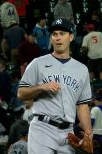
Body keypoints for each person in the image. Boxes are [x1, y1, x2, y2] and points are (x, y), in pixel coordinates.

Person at [18, 18, 93, 153]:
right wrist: (41, 87)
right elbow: (21, 93)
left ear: (71, 37)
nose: (58, 38)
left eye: (62, 33)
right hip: (42, 129)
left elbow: (82, 105)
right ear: (51, 38)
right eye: (54, 34)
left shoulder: (82, 69)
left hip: (68, 133)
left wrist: (88, 133)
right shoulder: (37, 63)